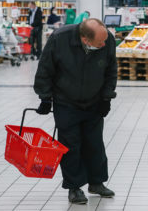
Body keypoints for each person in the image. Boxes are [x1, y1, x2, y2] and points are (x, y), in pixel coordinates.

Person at [33, 18, 117, 204]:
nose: (104, 44)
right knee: (71, 146)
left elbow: (111, 69)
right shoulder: (59, 39)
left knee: (95, 143)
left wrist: (106, 97)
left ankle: (96, 182)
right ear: (85, 39)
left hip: (94, 101)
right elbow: (45, 68)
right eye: (100, 42)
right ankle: (74, 187)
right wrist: (45, 97)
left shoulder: (107, 39)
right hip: (66, 101)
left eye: (105, 40)